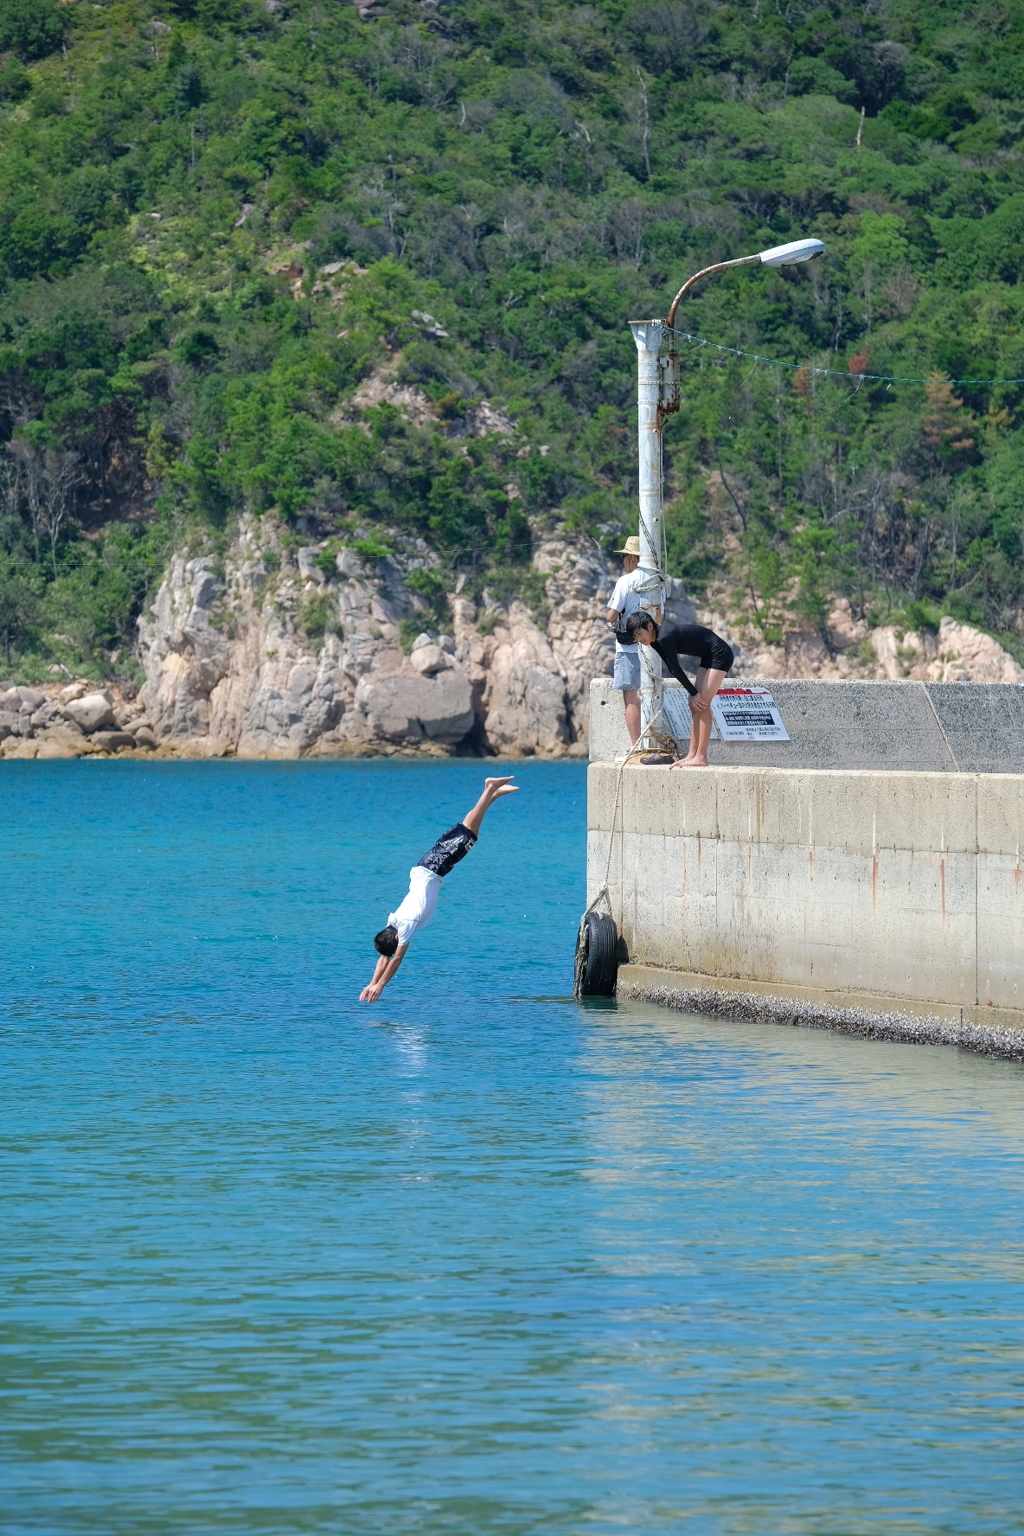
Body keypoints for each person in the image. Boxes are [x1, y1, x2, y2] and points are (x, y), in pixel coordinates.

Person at [360, 776, 519, 1002]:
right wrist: (371, 983)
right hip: (429, 866)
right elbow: (385, 957)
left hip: (434, 867)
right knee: (467, 830)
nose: (394, 949)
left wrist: (382, 986)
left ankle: (489, 789)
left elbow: (395, 960)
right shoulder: (392, 922)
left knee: (469, 833)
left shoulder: (403, 925)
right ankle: (492, 794)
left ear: (394, 937)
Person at [625, 611, 734, 769]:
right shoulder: (655, 641)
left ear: (649, 626)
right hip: (707, 656)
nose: (639, 640)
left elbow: (676, 669)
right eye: (635, 637)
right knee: (695, 705)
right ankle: (691, 755)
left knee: (702, 704)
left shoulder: (664, 636)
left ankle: (701, 757)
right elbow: (671, 667)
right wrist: (692, 694)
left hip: (720, 654)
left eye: (639, 634)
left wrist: (695, 694)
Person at [605, 535, 647, 745]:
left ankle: (635, 747)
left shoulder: (625, 581)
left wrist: (614, 618)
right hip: (651, 649)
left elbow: (611, 616)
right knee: (649, 695)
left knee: (631, 698)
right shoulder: (656, 581)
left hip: (629, 650)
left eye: (624, 557)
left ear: (632, 558)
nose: (623, 561)